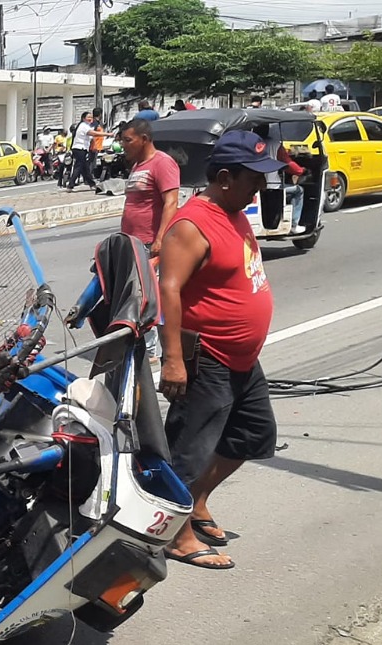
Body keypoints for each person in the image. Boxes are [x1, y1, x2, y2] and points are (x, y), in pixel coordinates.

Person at [155, 130, 283, 571]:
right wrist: (173, 360)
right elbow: (168, 289)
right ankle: (175, 535)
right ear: (225, 177)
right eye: (254, 178)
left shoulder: (235, 210)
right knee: (188, 453)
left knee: (254, 435)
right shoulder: (192, 225)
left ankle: (195, 501)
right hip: (207, 358)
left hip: (243, 358)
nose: (261, 187)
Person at [118, 119, 180, 254]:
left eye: (128, 140)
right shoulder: (137, 165)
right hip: (131, 241)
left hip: (149, 243)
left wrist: (160, 239)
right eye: (122, 141)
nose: (123, 145)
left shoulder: (162, 162)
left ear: (144, 139)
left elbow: (171, 202)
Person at [68, 111, 98, 190]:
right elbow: (94, 134)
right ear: (83, 118)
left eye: (91, 117)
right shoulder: (84, 126)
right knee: (78, 166)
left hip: (82, 149)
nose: (90, 119)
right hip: (80, 149)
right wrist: (108, 134)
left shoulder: (87, 126)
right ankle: (70, 185)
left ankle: (91, 184)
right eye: (88, 117)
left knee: (85, 168)